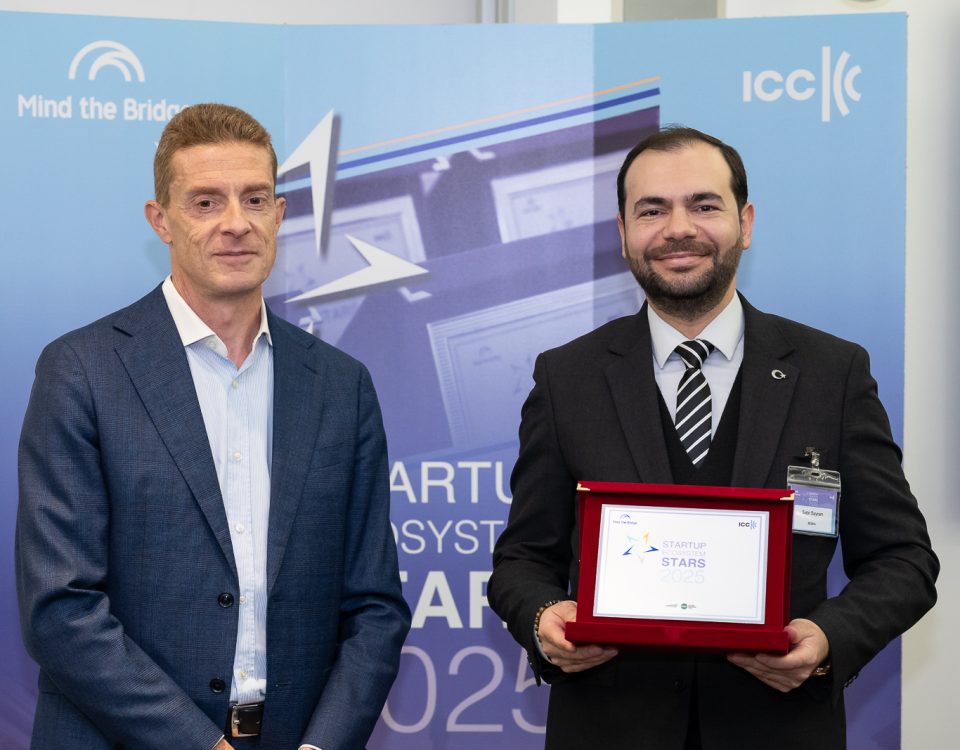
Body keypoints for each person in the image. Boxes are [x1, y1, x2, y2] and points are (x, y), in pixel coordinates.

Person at [488, 126, 938, 750]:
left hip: (781, 731)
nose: (678, 229)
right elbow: (521, 560)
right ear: (622, 232)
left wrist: (828, 638)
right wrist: (543, 617)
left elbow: (904, 560)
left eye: (703, 205)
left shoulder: (832, 374)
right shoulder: (567, 378)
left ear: (744, 223)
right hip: (610, 729)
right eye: (652, 210)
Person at [16, 103, 410, 750]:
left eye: (254, 199)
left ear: (279, 214)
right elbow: (60, 607)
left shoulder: (341, 386)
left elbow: (374, 606)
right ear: (161, 220)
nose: (235, 223)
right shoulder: (83, 372)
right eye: (205, 202)